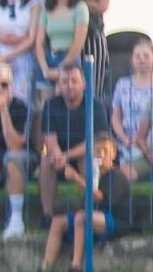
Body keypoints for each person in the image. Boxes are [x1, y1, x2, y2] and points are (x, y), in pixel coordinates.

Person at [39, 132, 125, 272]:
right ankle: (45, 271)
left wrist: (76, 177)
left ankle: (75, 270)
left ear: (113, 154)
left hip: (114, 220)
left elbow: (99, 197)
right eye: (97, 150)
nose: (101, 155)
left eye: (105, 151)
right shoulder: (94, 175)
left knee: (81, 217)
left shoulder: (116, 175)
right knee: (58, 222)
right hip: (94, 217)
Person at [37, 66, 109, 221]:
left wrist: (67, 155)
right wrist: (57, 155)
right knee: (46, 162)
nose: (69, 85)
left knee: (88, 159)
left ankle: (90, 210)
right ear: (59, 85)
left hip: (87, 155)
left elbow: (97, 142)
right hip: (61, 157)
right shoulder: (50, 105)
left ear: (84, 84)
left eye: (74, 81)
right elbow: (49, 136)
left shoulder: (96, 106)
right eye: (64, 81)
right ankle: (47, 216)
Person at [0, 63, 32, 239]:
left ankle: (16, 219)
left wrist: (4, 112)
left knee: (12, 158)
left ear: (11, 86)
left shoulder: (21, 108)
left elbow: (15, 145)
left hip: (19, 155)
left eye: (4, 85)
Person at [34, 0, 88, 89]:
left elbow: (78, 43)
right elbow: (39, 42)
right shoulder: (47, 9)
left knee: (65, 93)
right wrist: (44, 68)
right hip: (50, 56)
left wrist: (61, 69)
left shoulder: (80, 8)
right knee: (45, 97)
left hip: (70, 58)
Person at [110, 37, 153, 181]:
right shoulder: (122, 84)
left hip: (151, 146)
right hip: (126, 144)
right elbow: (116, 116)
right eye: (137, 56)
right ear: (132, 60)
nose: (142, 60)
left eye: (146, 56)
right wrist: (123, 138)